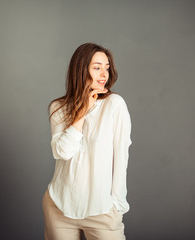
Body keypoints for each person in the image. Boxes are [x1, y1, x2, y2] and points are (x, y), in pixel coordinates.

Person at [42, 42, 132, 240]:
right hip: (59, 207)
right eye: (97, 68)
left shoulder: (114, 105)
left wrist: (117, 205)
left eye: (106, 68)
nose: (104, 74)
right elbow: (62, 152)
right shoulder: (59, 107)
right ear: (81, 70)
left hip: (102, 209)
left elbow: (121, 157)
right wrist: (81, 113)